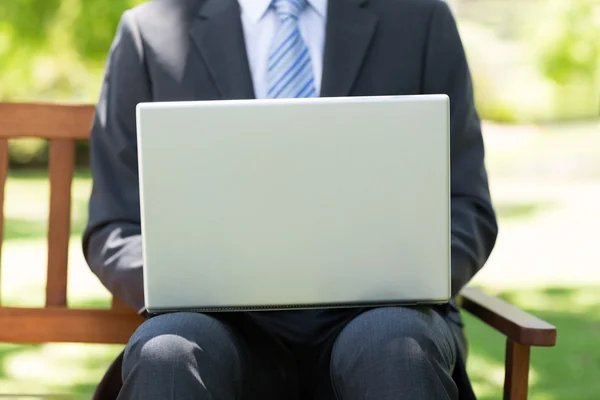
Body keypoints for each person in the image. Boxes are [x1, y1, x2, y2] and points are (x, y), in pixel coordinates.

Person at [83, 0, 498, 399]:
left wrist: (414, 274)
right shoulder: (149, 33)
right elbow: (114, 225)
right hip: (218, 323)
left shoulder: (421, 21)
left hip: (379, 314)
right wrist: (182, 280)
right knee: (169, 354)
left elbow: (466, 206)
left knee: (394, 348)